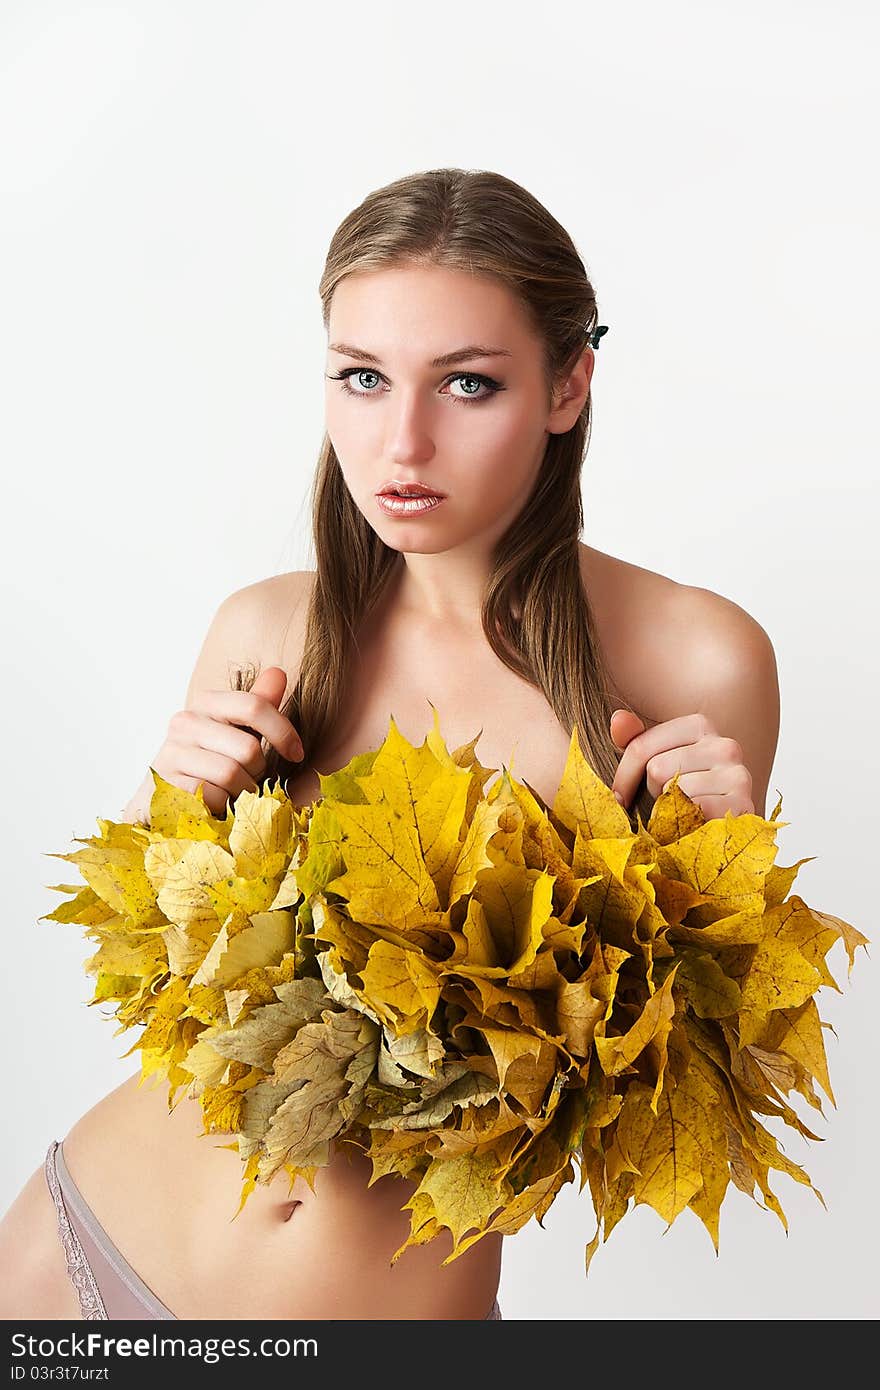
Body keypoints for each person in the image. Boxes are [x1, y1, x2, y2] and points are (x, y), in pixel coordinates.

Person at [0, 167, 779, 1320]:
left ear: (569, 385)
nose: (401, 440)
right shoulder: (266, 629)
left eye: (467, 383)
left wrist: (713, 891)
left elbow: (663, 1089)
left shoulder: (691, 657)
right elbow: (164, 991)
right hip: (82, 1242)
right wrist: (173, 811)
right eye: (362, 377)